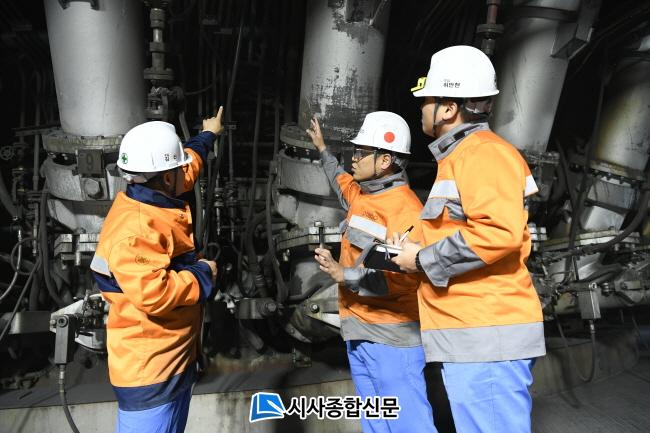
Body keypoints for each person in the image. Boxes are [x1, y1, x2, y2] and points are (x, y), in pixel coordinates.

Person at [391, 45, 546, 433]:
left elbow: (497, 232)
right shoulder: (461, 157)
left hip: (486, 334)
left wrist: (421, 259)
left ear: (448, 108)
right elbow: (462, 228)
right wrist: (411, 246)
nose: (421, 108)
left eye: (426, 100)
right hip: (473, 333)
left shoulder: (482, 154)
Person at [90, 108, 224, 433]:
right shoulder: (135, 230)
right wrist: (203, 273)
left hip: (174, 358)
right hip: (150, 371)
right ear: (166, 177)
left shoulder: (154, 190)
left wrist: (208, 135)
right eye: (177, 168)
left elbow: (187, 167)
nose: (184, 172)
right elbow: (156, 294)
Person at [307, 112, 438, 433]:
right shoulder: (363, 196)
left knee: (409, 426)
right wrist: (323, 150)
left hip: (392, 340)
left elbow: (404, 280)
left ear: (385, 161)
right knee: (376, 423)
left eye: (361, 153)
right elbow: (341, 182)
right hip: (359, 334)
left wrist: (345, 275)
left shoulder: (406, 211)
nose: (354, 158)